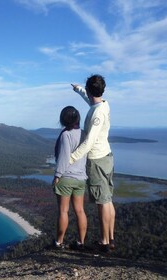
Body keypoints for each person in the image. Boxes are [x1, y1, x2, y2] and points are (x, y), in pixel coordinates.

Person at [70, 74, 115, 253]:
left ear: (90, 91)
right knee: (108, 199)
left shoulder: (97, 113)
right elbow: (91, 100)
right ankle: (110, 238)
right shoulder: (103, 104)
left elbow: (88, 142)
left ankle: (104, 242)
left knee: (102, 202)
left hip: (97, 160)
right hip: (107, 156)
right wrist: (78, 89)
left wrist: (71, 158)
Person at [52, 106, 87, 250]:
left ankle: (59, 242)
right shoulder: (84, 133)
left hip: (66, 177)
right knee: (80, 210)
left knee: (63, 211)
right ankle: (81, 242)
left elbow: (64, 157)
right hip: (80, 178)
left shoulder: (66, 134)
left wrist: (57, 175)